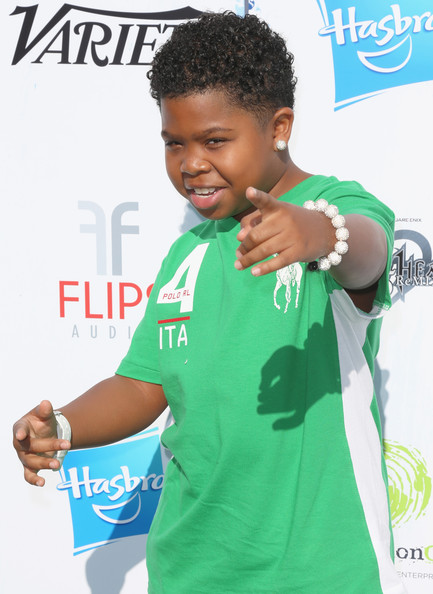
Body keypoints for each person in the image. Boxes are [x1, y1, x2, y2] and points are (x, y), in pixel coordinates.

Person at [13, 11, 405, 594]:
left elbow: (368, 252)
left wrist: (322, 235)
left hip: (320, 573)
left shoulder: (332, 208)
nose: (190, 163)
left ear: (279, 127)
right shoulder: (186, 255)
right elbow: (144, 386)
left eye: (214, 140)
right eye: (175, 143)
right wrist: (64, 425)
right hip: (190, 573)